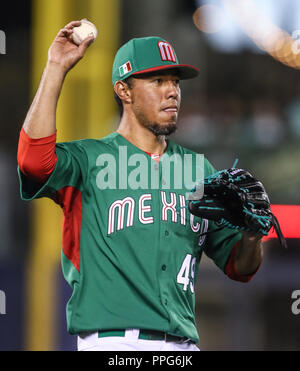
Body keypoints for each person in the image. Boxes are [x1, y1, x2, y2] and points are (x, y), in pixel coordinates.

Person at [17, 20, 263, 351]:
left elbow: (240, 266)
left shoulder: (197, 170)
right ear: (124, 90)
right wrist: (56, 67)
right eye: (158, 80)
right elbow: (32, 160)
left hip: (183, 346)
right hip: (113, 343)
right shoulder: (91, 160)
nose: (172, 90)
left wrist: (251, 233)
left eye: (175, 82)